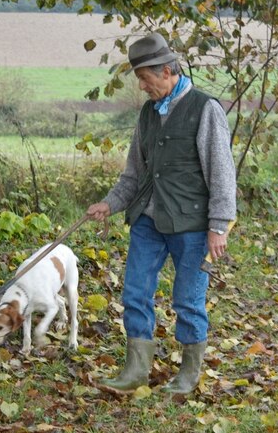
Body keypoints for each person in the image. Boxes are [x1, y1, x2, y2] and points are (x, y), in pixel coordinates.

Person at [87, 31, 237, 395]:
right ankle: (135, 371)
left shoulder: (205, 109)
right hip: (148, 222)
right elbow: (134, 173)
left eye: (145, 79)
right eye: (139, 79)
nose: (141, 87)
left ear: (168, 71)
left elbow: (221, 171)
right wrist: (111, 202)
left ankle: (188, 375)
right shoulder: (148, 113)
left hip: (191, 225)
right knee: (135, 293)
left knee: (188, 299)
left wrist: (219, 225)